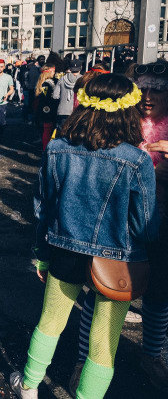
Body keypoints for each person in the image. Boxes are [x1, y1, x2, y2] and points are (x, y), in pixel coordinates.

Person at [9, 73, 158, 399]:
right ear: (129, 112)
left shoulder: (57, 149)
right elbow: (145, 223)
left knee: (50, 322)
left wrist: (42, 252)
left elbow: (43, 208)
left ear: (83, 106)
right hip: (117, 258)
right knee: (104, 342)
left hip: (64, 247)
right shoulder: (137, 160)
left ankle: (30, 386)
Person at [71, 62, 168, 394]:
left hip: (163, 225)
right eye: (145, 89)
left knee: (158, 296)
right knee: (103, 290)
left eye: (159, 89)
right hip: (119, 224)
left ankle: (151, 355)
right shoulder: (124, 122)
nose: (150, 97)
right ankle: (84, 360)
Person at [33, 66, 57, 151]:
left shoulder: (43, 82)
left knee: (46, 130)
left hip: (43, 109)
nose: (54, 73)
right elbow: (46, 98)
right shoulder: (47, 83)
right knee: (47, 130)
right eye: (53, 71)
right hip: (48, 110)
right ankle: (45, 149)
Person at [53, 59, 81, 130]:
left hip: (63, 110)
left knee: (62, 133)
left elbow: (55, 95)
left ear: (70, 68)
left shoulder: (62, 79)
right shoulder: (83, 79)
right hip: (78, 111)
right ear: (80, 68)